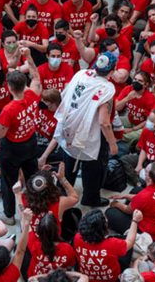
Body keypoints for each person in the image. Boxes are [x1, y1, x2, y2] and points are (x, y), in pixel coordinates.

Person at [40, 52, 120, 208]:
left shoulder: (81, 73)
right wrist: (113, 144)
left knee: (68, 163)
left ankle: (64, 196)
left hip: (69, 126)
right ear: (112, 71)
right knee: (94, 168)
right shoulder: (107, 88)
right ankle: (90, 198)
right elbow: (104, 122)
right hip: (90, 133)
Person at [0, 47, 41, 224]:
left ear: (9, 87)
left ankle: (8, 215)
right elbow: (36, 77)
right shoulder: (32, 94)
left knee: (9, 181)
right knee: (32, 177)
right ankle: (35, 208)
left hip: (12, 148)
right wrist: (28, 56)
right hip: (30, 141)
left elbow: (0, 134)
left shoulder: (8, 110)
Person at [73, 209, 142, 282]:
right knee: (127, 245)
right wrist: (135, 221)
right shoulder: (112, 243)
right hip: (111, 278)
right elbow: (130, 242)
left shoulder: (77, 237)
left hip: (86, 275)